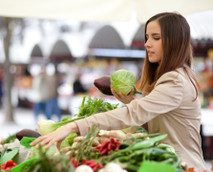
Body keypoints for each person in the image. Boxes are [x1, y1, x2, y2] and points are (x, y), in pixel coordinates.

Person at [31, 12, 207, 171]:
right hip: (165, 163)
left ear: (174, 41)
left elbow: (134, 114)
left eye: (156, 38)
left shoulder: (175, 80)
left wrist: (73, 126)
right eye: (147, 37)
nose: (147, 44)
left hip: (183, 166)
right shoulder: (173, 77)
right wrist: (130, 101)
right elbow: (155, 125)